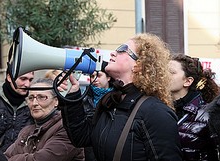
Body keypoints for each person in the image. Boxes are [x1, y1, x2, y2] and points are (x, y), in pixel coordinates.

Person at [60, 33, 182, 161]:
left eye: (122, 50)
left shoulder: (156, 112)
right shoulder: (110, 102)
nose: (113, 53)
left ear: (138, 65)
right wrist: (72, 96)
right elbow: (81, 137)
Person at [4, 78, 84, 161]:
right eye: (31, 98)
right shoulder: (26, 131)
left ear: (56, 101)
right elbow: (4, 158)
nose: (34, 103)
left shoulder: (67, 128)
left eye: (42, 97)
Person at [168, 53, 220, 161]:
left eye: (171, 72)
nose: (164, 75)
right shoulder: (158, 108)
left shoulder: (207, 115)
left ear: (188, 81)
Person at [0, 71, 34, 152]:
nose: (27, 84)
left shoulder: (34, 104)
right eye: (23, 79)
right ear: (9, 77)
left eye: (30, 80)